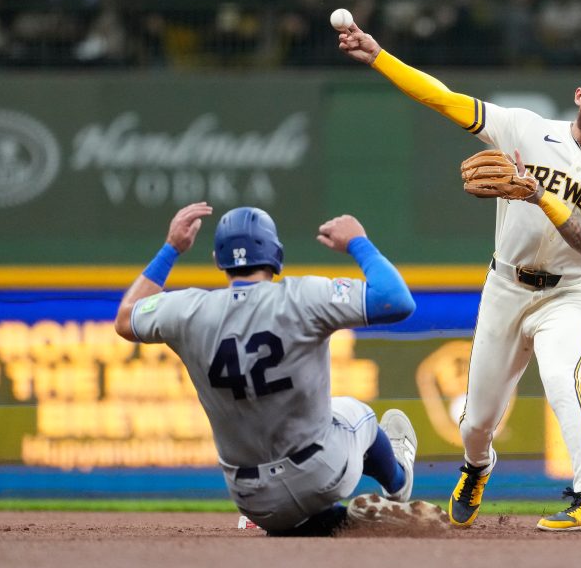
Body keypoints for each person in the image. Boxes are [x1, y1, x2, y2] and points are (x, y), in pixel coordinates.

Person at [338, 21, 581, 532]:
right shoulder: (525, 130)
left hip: (567, 295)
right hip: (505, 287)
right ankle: (477, 468)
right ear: (580, 95)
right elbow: (443, 99)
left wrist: (539, 194)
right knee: (476, 423)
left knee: (561, 379)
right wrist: (378, 57)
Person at [114, 203, 446, 535]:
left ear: (217, 260)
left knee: (288, 488)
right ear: (277, 256)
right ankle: (398, 483)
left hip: (252, 499)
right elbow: (396, 300)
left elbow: (125, 318)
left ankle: (333, 520)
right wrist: (358, 242)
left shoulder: (186, 310)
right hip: (321, 473)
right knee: (358, 413)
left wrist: (171, 248)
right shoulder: (304, 296)